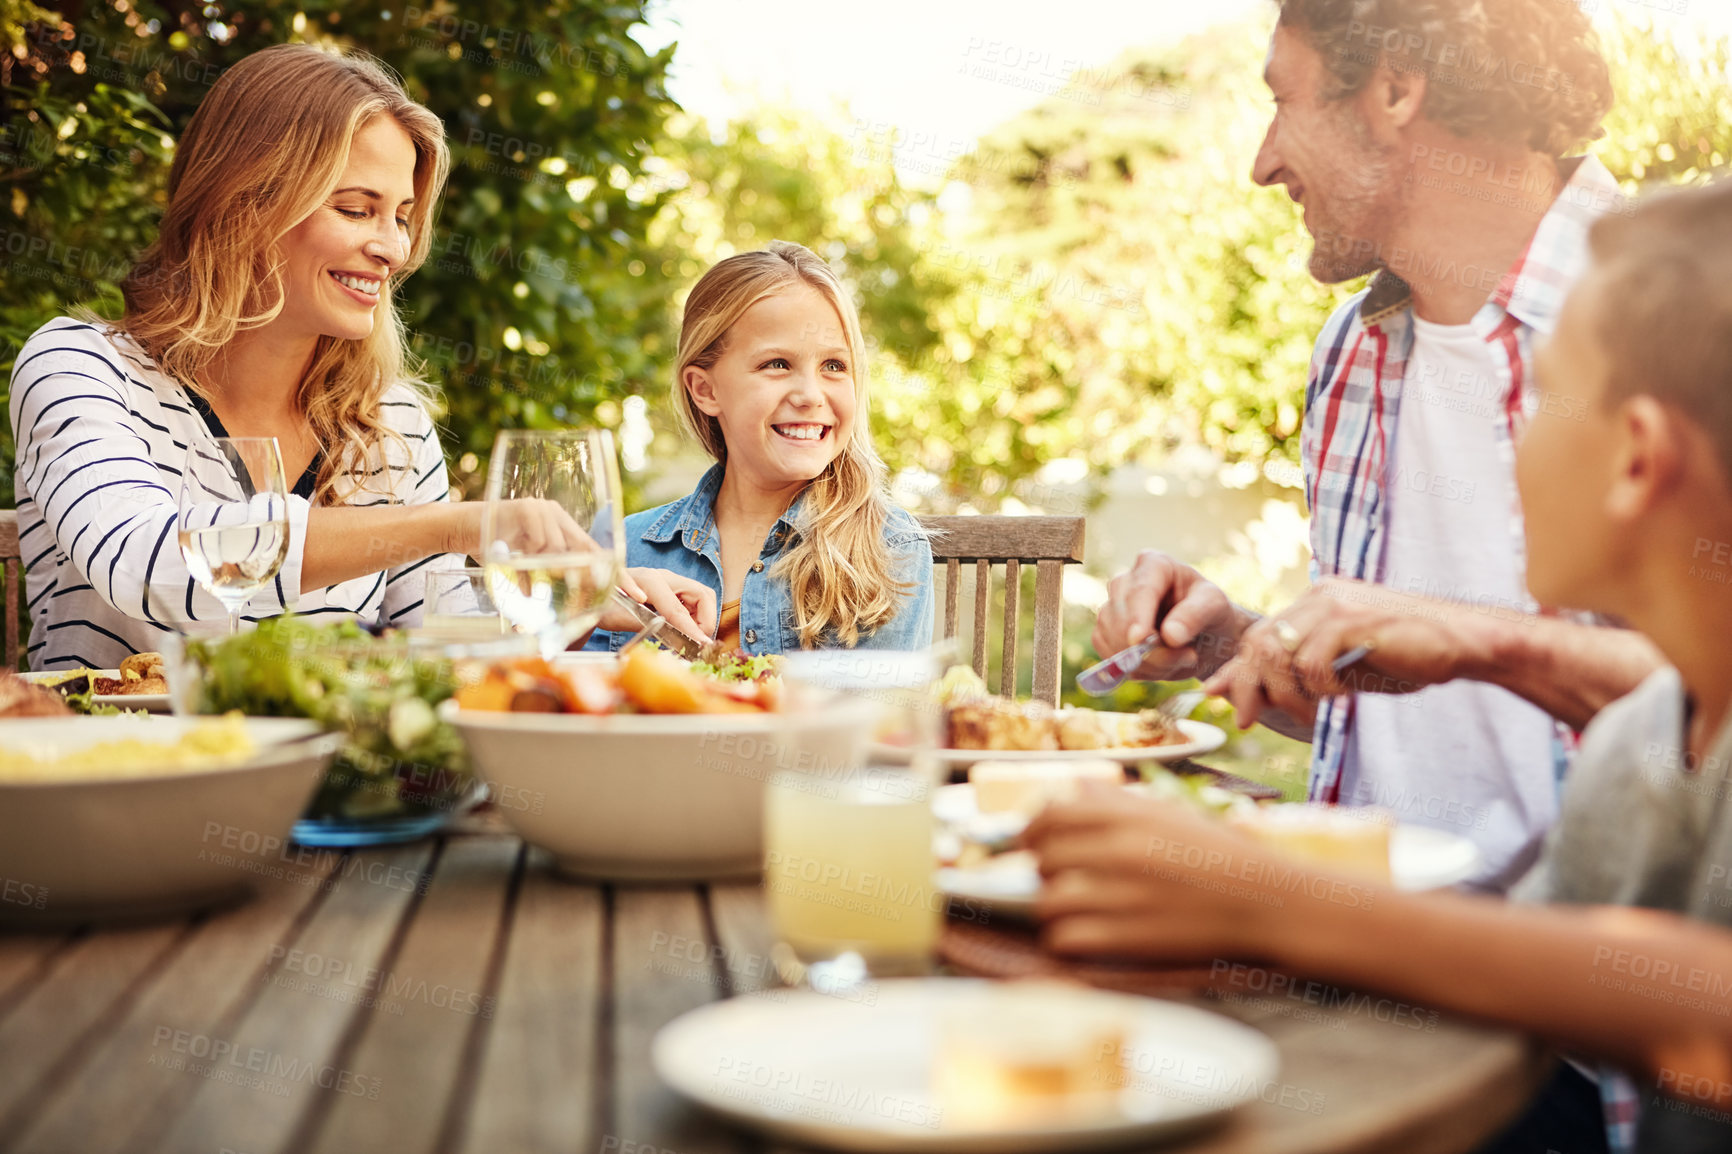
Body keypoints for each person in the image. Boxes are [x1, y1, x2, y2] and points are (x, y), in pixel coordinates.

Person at [1029, 180, 1732, 1154]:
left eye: (1542, 404)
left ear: (1636, 457)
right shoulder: (1646, 738)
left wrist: (1271, 899)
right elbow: (1550, 972)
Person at [1090, 0, 1663, 892]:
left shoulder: (1686, 322)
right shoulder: (1350, 349)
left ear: (1396, 89)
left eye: (1284, 99)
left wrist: (1479, 638)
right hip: (1367, 949)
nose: (1262, 163)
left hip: (1594, 1005)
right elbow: (1400, 702)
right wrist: (1236, 643)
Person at [9, 45, 712, 671]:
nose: (394, 248)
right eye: (355, 208)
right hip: (120, 785)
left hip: (337, 800)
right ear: (244, 204)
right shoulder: (82, 369)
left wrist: (577, 602)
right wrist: (466, 523)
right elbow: (151, 564)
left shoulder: (390, 422)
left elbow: (443, 641)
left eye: (401, 216)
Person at [587, 241, 933, 654]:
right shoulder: (626, 547)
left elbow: (870, 716)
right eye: (777, 364)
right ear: (705, 389)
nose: (810, 395)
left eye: (834, 366)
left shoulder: (887, 550)